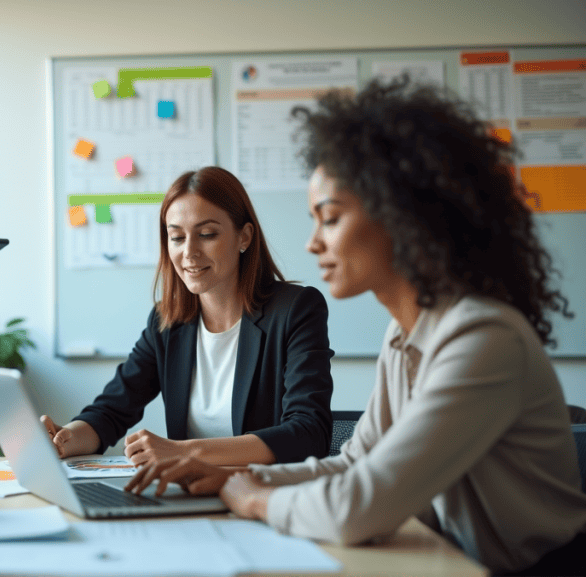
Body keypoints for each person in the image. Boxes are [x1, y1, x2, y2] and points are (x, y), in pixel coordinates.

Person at [124, 79, 586, 576]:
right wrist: (232, 475)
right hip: (443, 558)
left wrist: (252, 498)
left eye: (331, 218)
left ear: (402, 217)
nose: (312, 243)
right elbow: (353, 464)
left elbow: (358, 505)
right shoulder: (406, 333)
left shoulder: (483, 338)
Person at [42, 166, 334, 468]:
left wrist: (184, 451)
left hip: (264, 497)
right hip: (191, 498)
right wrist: (66, 439)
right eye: (177, 238)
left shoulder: (296, 310)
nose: (189, 252)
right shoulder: (166, 322)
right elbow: (111, 411)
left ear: (244, 237)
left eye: (206, 234)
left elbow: (308, 432)